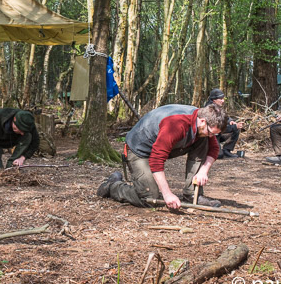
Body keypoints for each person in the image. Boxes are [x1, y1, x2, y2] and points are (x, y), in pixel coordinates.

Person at [97, 104, 227, 208]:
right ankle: (113, 186)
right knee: (150, 198)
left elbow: (214, 148)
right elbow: (156, 160)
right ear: (203, 121)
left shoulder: (203, 123)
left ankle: (193, 194)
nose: (211, 136)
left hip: (164, 145)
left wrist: (203, 171)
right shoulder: (176, 125)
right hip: (140, 150)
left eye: (214, 134)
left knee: (204, 141)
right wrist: (167, 194)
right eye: (210, 132)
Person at [204, 88, 245, 158]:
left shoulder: (217, 106)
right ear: (214, 100)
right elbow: (217, 127)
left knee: (235, 129)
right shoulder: (210, 110)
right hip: (210, 137)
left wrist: (231, 121)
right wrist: (235, 127)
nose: (223, 101)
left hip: (218, 134)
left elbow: (226, 117)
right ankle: (206, 149)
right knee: (218, 155)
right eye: (221, 99)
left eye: (223, 99)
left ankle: (227, 150)